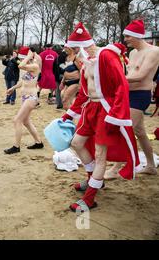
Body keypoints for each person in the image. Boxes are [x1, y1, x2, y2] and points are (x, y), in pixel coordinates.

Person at [61, 22, 140, 211]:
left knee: (100, 155)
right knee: (76, 143)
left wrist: (116, 116)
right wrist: (69, 114)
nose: (71, 53)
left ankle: (89, 199)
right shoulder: (85, 62)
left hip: (106, 110)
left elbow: (122, 85)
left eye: (73, 48)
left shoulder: (106, 55)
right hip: (91, 110)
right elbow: (83, 93)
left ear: (81, 45)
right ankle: (93, 180)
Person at [105, 19, 159, 178]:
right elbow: (129, 74)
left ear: (136, 36)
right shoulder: (133, 53)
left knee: (123, 130)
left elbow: (141, 76)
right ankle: (150, 166)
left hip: (140, 95)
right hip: (127, 93)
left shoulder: (154, 51)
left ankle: (115, 168)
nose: (125, 39)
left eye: (128, 36)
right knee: (140, 132)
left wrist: (115, 78)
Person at [4, 47, 44, 154]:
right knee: (26, 121)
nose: (21, 60)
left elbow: (20, 65)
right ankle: (38, 142)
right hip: (25, 97)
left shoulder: (34, 66)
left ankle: (16, 146)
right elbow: (23, 82)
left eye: (22, 58)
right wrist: (12, 88)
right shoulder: (28, 67)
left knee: (17, 120)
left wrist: (28, 56)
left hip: (31, 97)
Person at [60, 45, 82, 110]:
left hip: (75, 82)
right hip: (67, 82)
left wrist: (81, 83)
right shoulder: (67, 58)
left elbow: (81, 70)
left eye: (66, 49)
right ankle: (72, 115)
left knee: (65, 99)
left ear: (70, 49)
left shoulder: (76, 58)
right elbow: (65, 71)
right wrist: (62, 82)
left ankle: (70, 116)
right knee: (65, 99)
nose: (65, 50)